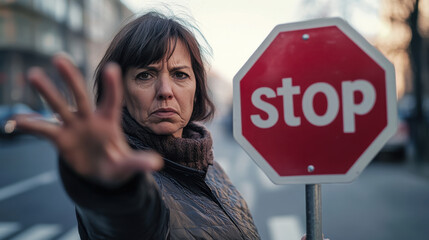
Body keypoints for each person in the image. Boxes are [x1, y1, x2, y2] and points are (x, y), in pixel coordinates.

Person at [15, 11, 260, 239]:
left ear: (196, 89)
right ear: (121, 91)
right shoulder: (128, 174)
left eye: (179, 75)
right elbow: (128, 220)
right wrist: (110, 188)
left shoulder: (211, 166)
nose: (165, 91)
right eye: (145, 75)